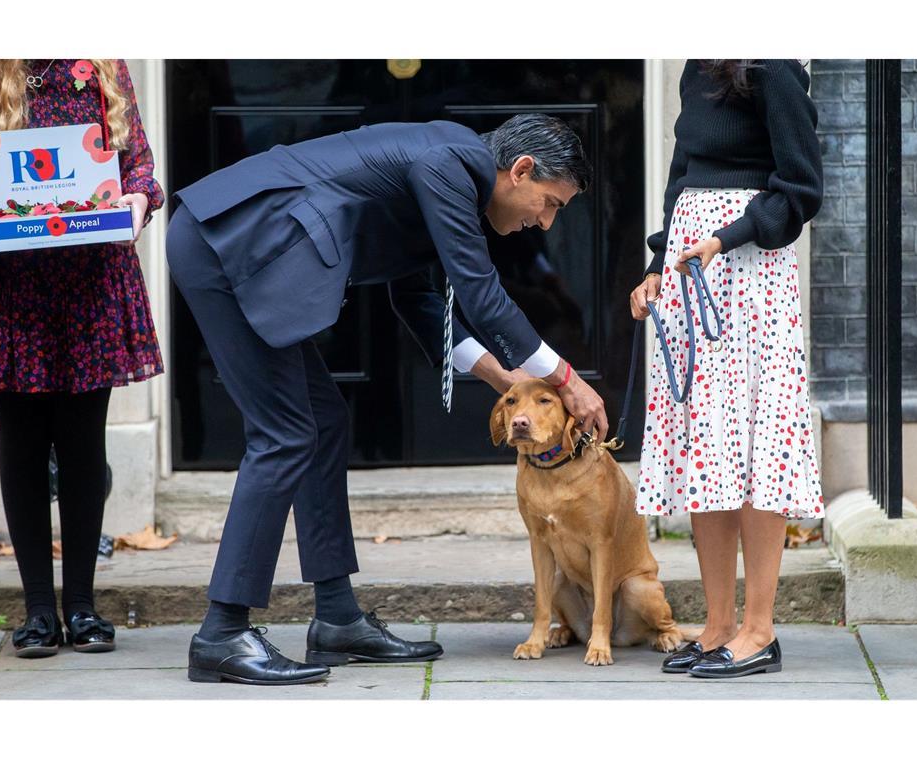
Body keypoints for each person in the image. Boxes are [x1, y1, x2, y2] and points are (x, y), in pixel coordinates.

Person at [167, 113, 608, 686]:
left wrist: (502, 378)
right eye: (549, 203)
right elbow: (480, 292)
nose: (544, 222)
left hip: (245, 247)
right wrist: (566, 377)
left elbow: (419, 301)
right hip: (228, 245)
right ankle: (222, 632)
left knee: (323, 421)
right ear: (520, 171)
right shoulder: (450, 162)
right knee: (285, 434)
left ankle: (336, 619)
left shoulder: (453, 177)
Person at [629, 59, 824, 678]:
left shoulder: (777, 71)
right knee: (705, 445)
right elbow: (681, 175)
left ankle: (759, 629)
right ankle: (717, 626)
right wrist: (659, 264)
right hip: (694, 267)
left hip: (751, 270)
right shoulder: (698, 66)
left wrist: (727, 235)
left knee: (757, 441)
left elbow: (800, 187)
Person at [0, 59, 164, 657]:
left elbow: (138, 163)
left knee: (83, 444)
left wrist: (137, 199)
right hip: (13, 284)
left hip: (90, 283)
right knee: (22, 444)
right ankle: (35, 613)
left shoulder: (103, 64)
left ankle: (81, 606)